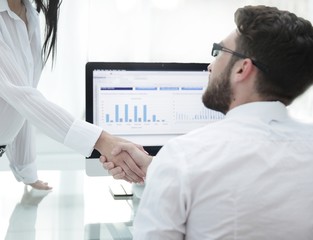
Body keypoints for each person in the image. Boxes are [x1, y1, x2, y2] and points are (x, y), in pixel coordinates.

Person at [101, 5, 313, 239]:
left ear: (242, 68)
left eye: (219, 51)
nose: (211, 66)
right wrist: (157, 168)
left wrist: (167, 170)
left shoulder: (184, 156)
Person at [0, 0, 145, 190]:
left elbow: (23, 102)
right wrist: (102, 140)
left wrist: (27, 173)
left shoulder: (29, 14)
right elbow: (22, 97)